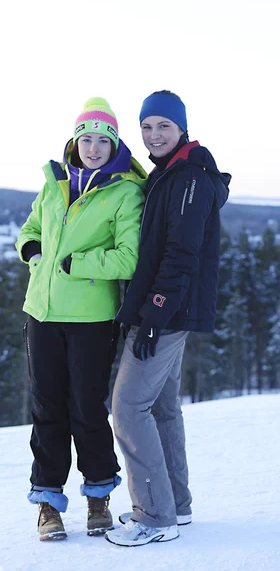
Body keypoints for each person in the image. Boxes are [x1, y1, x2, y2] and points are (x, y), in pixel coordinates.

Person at [15, 97, 147, 541]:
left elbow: (129, 258)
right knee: (46, 407)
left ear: (114, 145)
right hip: (42, 312)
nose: (93, 147)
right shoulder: (53, 184)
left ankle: (97, 496)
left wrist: (76, 263)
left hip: (92, 318)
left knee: (87, 408)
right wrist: (33, 254)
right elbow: (30, 230)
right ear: (74, 142)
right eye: (86, 138)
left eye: (102, 140)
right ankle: (48, 502)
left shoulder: (125, 192)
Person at [105, 90, 231, 547]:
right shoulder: (172, 173)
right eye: (146, 126)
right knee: (160, 408)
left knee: (128, 408)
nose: (153, 135)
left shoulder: (187, 177)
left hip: (167, 312)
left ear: (181, 129)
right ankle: (176, 503)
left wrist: (155, 313)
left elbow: (182, 254)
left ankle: (155, 515)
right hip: (168, 309)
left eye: (163, 126)